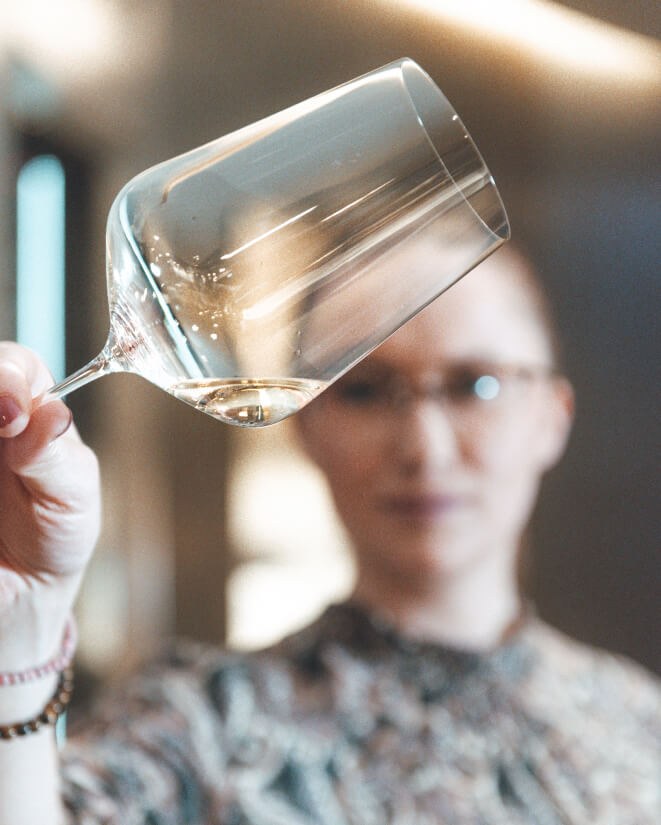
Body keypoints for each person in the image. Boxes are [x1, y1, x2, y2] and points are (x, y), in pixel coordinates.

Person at [0, 245, 658, 824]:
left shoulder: (641, 729)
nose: (423, 449)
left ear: (551, 417)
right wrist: (22, 624)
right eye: (366, 389)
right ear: (302, 423)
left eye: (473, 385)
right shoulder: (204, 725)